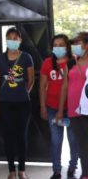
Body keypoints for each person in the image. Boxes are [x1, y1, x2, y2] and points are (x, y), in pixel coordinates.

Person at [0, 27, 34, 179]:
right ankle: (11, 171)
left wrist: (23, 92)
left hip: (23, 103)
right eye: (9, 38)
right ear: (6, 40)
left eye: (15, 38)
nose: (12, 41)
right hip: (4, 103)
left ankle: (22, 170)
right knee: (8, 137)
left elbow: (31, 79)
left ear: (20, 40)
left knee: (22, 136)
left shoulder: (26, 57)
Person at [39, 34, 78, 179]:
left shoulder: (74, 61)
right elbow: (42, 86)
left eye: (61, 45)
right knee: (56, 141)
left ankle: (72, 167)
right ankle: (56, 170)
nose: (58, 47)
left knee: (74, 141)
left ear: (67, 47)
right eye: (55, 45)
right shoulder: (47, 63)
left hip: (73, 109)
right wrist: (43, 107)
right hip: (52, 109)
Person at [56, 32, 88, 179]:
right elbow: (65, 86)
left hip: (87, 110)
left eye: (78, 43)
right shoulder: (70, 63)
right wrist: (60, 110)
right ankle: (85, 174)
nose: (75, 46)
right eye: (74, 43)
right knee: (82, 145)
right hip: (73, 110)